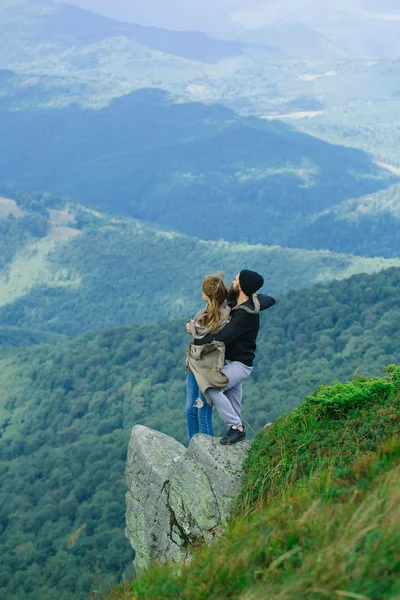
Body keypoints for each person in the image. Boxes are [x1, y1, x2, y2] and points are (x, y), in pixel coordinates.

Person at [194, 270, 275, 445]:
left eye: (236, 280)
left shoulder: (245, 315)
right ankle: (238, 430)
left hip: (240, 364)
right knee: (234, 401)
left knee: (213, 387)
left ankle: (236, 428)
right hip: (232, 361)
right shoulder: (238, 303)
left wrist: (196, 336)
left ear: (242, 287)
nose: (232, 281)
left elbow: (222, 337)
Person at [185, 273, 231, 440]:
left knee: (202, 410)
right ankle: (194, 450)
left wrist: (194, 327)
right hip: (194, 363)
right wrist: (192, 327)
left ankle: (207, 452)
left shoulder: (224, 314)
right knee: (190, 410)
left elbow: (214, 337)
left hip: (208, 368)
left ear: (209, 294)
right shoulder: (204, 312)